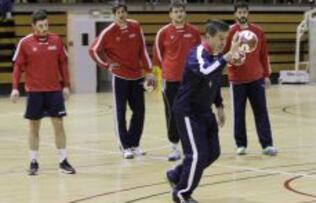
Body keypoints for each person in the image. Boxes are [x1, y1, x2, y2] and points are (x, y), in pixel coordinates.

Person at [166, 20, 239, 203]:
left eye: (226, 39)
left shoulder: (217, 56)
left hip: (205, 111)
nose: (223, 42)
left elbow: (212, 83)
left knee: (212, 152)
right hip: (188, 112)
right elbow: (206, 71)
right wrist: (227, 57)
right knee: (197, 155)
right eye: (220, 38)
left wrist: (219, 105)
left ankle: (176, 175)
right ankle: (181, 194)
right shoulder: (197, 53)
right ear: (208, 37)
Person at [10, 10, 75, 175]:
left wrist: (66, 86)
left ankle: (63, 160)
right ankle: (33, 161)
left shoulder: (56, 40)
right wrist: (15, 88)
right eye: (41, 26)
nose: (44, 28)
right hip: (35, 92)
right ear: (33, 26)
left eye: (46, 25)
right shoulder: (25, 43)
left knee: (59, 125)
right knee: (34, 127)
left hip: (54, 91)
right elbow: (17, 67)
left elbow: (63, 64)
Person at [88, 2, 154, 159]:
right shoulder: (108, 32)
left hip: (137, 76)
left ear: (127, 13)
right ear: (114, 15)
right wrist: (106, 65)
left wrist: (148, 70)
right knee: (120, 112)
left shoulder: (136, 26)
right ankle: (125, 147)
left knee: (139, 111)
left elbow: (142, 50)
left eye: (124, 12)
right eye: (118, 12)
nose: (122, 15)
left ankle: (134, 144)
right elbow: (93, 50)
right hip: (120, 77)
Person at [224, 1, 278, 156]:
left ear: (248, 13)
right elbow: (224, 54)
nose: (242, 15)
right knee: (238, 113)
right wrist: (233, 59)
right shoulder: (230, 32)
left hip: (256, 78)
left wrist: (266, 75)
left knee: (261, 111)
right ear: (235, 14)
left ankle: (267, 144)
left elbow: (263, 54)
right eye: (239, 12)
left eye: (244, 12)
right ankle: (240, 144)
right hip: (237, 80)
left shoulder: (258, 31)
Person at [153, 0, 201, 161]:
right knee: (172, 113)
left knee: (191, 111)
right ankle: (174, 146)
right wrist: (167, 69)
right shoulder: (163, 32)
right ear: (170, 14)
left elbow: (199, 54)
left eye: (181, 11)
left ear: (185, 12)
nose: (179, 14)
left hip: (190, 79)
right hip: (171, 79)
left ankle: (191, 146)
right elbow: (157, 55)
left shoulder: (194, 32)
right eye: (176, 11)